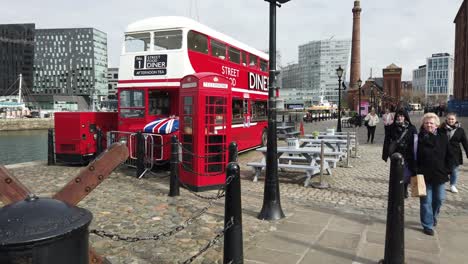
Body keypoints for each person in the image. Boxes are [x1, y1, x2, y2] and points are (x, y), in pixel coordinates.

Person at [415, 113, 453, 236]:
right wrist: (415, 170)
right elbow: (412, 155)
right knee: (426, 202)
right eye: (426, 123)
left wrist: (448, 169)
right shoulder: (418, 138)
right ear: (423, 124)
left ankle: (433, 216)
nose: (429, 125)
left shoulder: (443, 136)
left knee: (439, 199)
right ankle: (427, 224)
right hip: (423, 175)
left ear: (436, 124)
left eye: (431, 123)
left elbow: (449, 154)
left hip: (440, 174)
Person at [382, 110, 417, 198]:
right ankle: (395, 190)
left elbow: (415, 143)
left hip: (407, 154)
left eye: (401, 116)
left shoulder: (411, 128)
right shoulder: (391, 127)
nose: (399, 118)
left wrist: (416, 155)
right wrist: (385, 154)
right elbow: (386, 141)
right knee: (396, 173)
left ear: (405, 117)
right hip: (395, 154)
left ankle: (404, 190)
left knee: (405, 174)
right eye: (398, 116)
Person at [440, 113, 468, 193]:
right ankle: (441, 184)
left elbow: (465, 143)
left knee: (454, 170)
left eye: (452, 119)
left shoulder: (460, 130)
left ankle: (453, 184)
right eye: (449, 119)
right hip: (443, 152)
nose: (451, 120)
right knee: (442, 169)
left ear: (455, 120)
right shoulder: (441, 129)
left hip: (455, 153)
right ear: (446, 119)